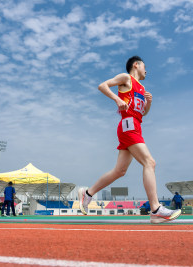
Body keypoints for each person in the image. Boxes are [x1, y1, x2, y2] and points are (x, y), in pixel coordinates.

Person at [78, 56, 181, 224]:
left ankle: (88, 194)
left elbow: (143, 113)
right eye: (144, 66)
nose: (146, 70)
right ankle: (155, 209)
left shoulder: (142, 88)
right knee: (149, 162)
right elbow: (102, 86)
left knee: (120, 171)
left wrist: (148, 103)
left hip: (136, 125)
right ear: (136, 65)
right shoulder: (126, 78)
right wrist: (117, 99)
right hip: (128, 125)